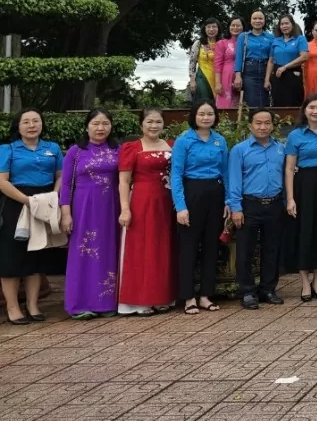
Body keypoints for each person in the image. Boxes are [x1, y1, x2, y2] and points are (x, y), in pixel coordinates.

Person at [0, 109, 63, 323]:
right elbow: (2, 181)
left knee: (38, 254)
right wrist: (27, 201)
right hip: (16, 204)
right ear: (18, 126)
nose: (31, 125)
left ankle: (33, 305)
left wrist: (53, 196)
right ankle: (13, 307)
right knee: (12, 255)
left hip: (44, 203)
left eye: (36, 121)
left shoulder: (52, 148)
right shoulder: (7, 149)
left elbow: (60, 176)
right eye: (25, 121)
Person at [58, 109, 120, 319]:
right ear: (87, 126)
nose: (100, 128)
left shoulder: (118, 149)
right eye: (96, 123)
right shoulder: (75, 152)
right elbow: (66, 185)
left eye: (105, 123)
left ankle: (107, 303)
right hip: (83, 207)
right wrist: (66, 213)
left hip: (111, 206)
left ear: (111, 126)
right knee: (83, 253)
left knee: (108, 251)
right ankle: (80, 304)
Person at [170, 99, 228, 314]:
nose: (206, 117)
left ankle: (205, 295)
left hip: (215, 193)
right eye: (202, 114)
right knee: (188, 247)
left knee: (212, 246)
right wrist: (180, 206)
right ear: (194, 116)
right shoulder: (184, 141)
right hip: (191, 193)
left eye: (210, 114)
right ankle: (188, 297)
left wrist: (229, 201)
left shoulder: (219, 141)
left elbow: (226, 171)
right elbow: (176, 174)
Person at [226, 107, 287, 310]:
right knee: (245, 251)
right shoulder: (240, 150)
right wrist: (236, 208)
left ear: (272, 125)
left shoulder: (280, 148)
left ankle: (268, 289)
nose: (263, 127)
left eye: (267, 123)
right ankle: (247, 291)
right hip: (249, 204)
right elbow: (234, 180)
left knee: (272, 249)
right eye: (258, 123)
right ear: (250, 125)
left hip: (275, 204)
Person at [118, 108, 176, 315]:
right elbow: (124, 180)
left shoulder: (172, 145)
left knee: (163, 248)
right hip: (142, 201)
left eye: (158, 122)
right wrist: (125, 208)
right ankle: (139, 300)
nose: (154, 126)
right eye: (149, 121)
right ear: (141, 124)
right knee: (142, 248)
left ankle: (161, 296)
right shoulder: (131, 148)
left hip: (167, 201)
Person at [285, 95, 317, 302]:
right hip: (303, 186)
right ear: (305, 110)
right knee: (304, 232)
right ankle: (305, 282)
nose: (316, 111)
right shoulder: (295, 136)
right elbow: (289, 169)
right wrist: (290, 198)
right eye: (312, 107)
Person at [266, 14, 309, 107]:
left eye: (287, 23)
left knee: (294, 102)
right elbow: (271, 61)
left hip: (293, 74)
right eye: (282, 24)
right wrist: (267, 80)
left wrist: (285, 67)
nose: (284, 26)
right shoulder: (275, 41)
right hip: (277, 75)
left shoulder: (300, 39)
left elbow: (304, 56)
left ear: (292, 25)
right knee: (277, 102)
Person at [233, 10, 273, 107]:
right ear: (250, 21)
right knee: (250, 101)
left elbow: (271, 59)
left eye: (260, 18)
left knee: (265, 101)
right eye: (255, 18)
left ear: (264, 21)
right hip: (249, 70)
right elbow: (238, 57)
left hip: (265, 70)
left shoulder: (271, 37)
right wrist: (237, 76)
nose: (257, 21)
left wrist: (268, 78)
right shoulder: (244, 36)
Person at [188, 18, 220, 102]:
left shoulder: (222, 43)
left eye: (214, 27)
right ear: (204, 29)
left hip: (219, 78)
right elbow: (192, 62)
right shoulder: (198, 43)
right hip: (202, 77)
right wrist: (192, 80)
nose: (211, 29)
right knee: (203, 102)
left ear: (218, 29)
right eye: (208, 27)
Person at [215, 16, 243, 109]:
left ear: (243, 27)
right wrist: (218, 83)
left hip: (244, 75)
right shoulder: (221, 43)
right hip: (226, 76)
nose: (235, 28)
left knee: (242, 105)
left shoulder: (247, 43)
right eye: (233, 25)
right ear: (229, 27)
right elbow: (217, 65)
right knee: (226, 105)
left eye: (238, 26)